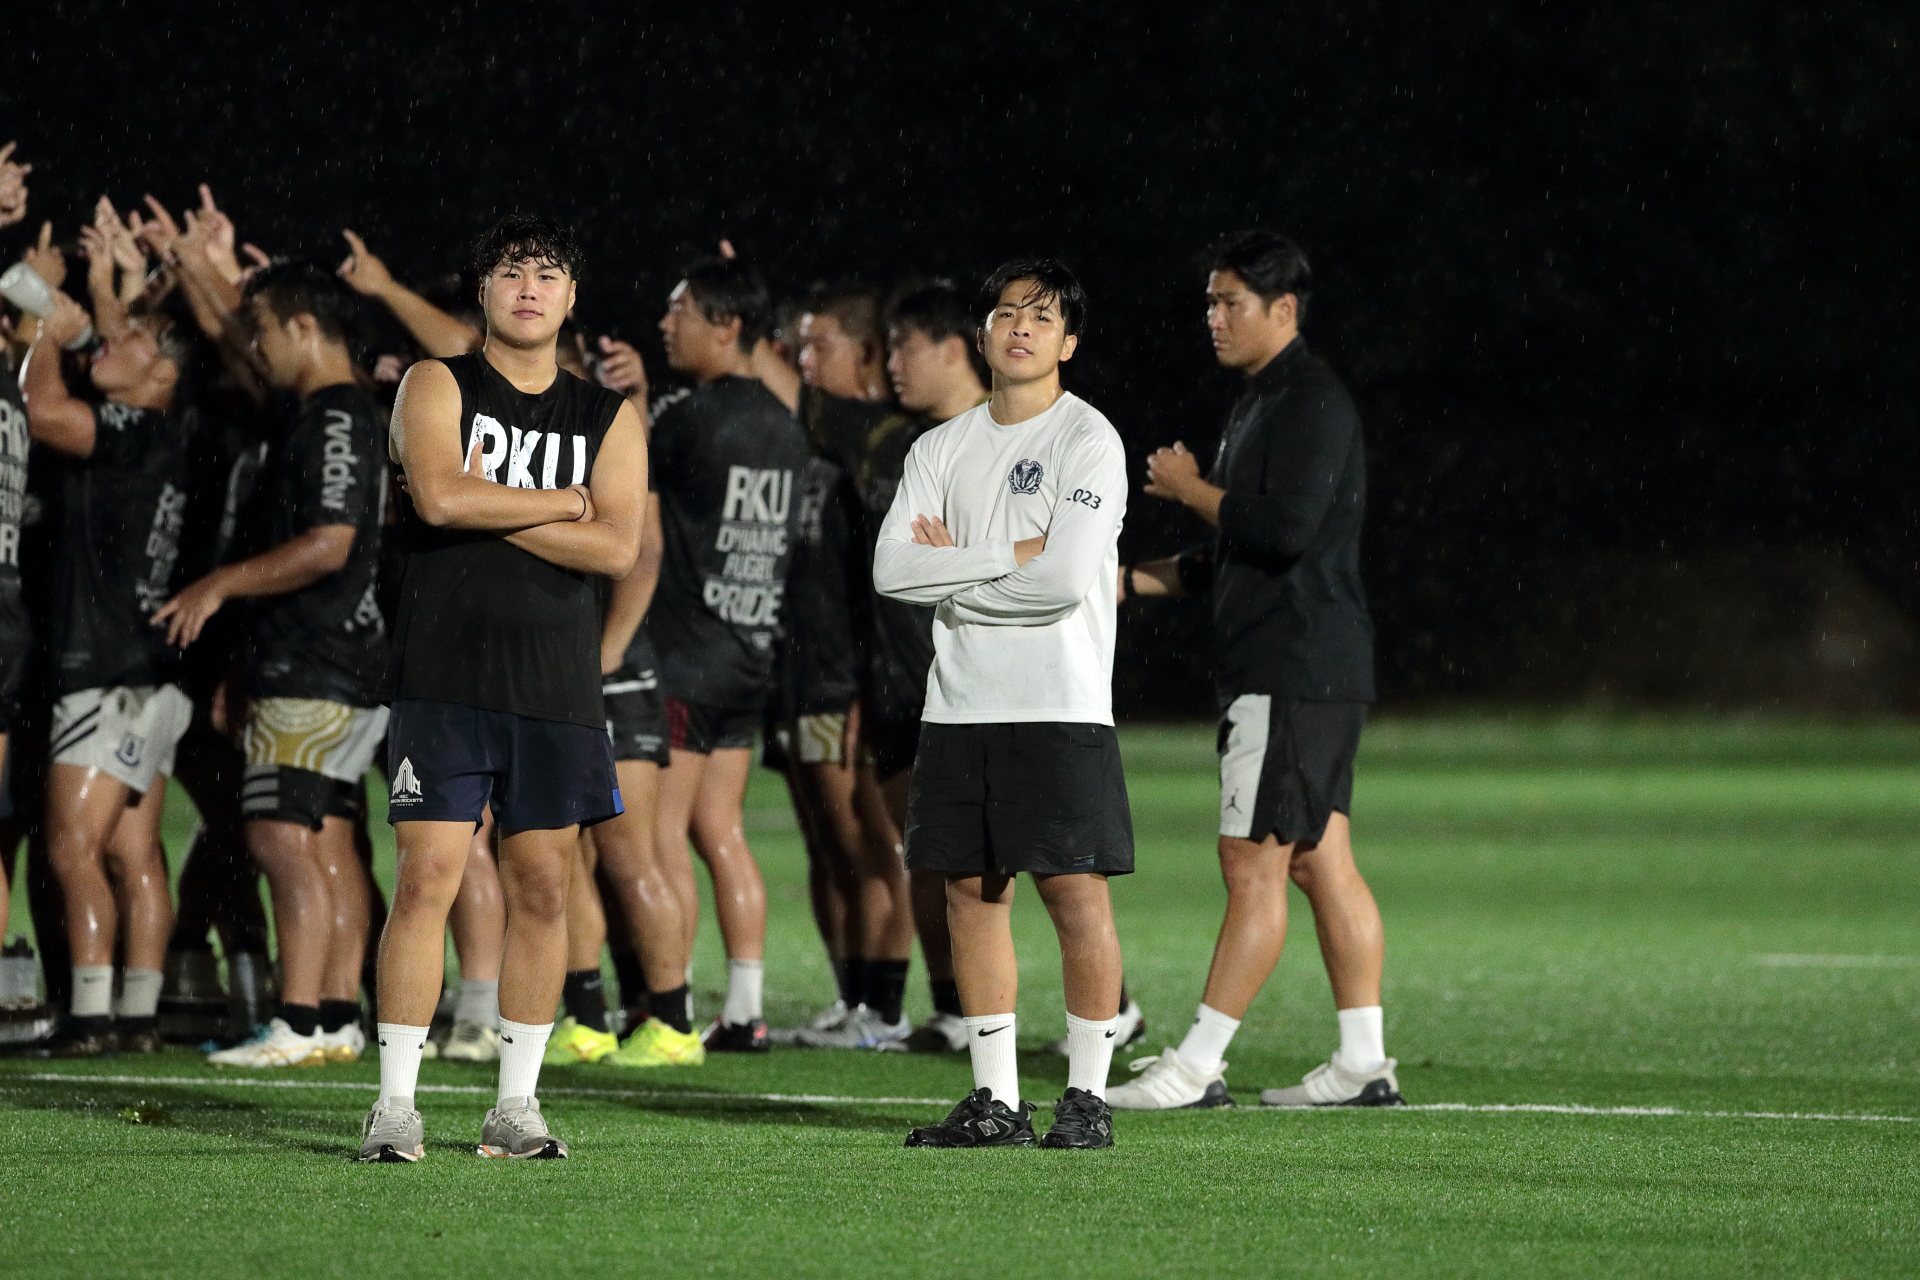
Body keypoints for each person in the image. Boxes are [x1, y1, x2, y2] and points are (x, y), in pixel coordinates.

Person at [358, 214, 646, 1162]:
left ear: (573, 297)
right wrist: (565, 502)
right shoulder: (436, 382)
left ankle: (516, 1108)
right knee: (426, 880)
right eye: (512, 271)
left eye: (548, 274)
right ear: (481, 290)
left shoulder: (608, 415)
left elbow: (617, 547)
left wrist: (496, 505)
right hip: (443, 677)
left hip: (556, 686)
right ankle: (395, 1107)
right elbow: (439, 498)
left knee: (545, 891)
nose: (529, 287)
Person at [1105, 231, 1401, 1111]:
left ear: (1284, 308)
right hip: (1304, 667)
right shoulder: (1262, 400)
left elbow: (1283, 529)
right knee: (1319, 862)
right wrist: (1126, 581)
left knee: (1251, 862)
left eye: (1230, 302)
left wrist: (1190, 487)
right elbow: (1235, 550)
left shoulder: (1309, 399)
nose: (1214, 317)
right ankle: (1362, 1062)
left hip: (1293, 667)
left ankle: (1196, 1067)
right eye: (1209, 301)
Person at [874, 259, 1132, 1150]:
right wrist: (1007, 552)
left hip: (1060, 702)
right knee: (969, 898)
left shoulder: (1088, 439)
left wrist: (953, 572)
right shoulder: (939, 447)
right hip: (958, 704)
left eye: (1042, 316)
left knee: (1075, 895)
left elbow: (1063, 582)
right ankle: (996, 1102)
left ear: (1069, 342)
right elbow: (891, 570)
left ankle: (1087, 1099)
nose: (1020, 326)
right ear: (981, 333)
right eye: (1006, 312)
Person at [154, 262, 388, 1069]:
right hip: (333, 660)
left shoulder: (335, 415)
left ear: (302, 327)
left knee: (278, 836)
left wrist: (218, 584)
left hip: (318, 661)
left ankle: (297, 1020)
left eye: (262, 329)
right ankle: (334, 1019)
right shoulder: (337, 411)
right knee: (327, 840)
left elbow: (329, 544)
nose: (254, 346)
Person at [20, 289, 198, 1057]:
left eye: (134, 339)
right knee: (133, 853)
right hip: (152, 671)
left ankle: (90, 1017)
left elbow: (42, 412)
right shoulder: (172, 439)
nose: (110, 341)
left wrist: (44, 336)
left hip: (104, 670)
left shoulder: (134, 426)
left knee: (71, 849)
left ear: (162, 374)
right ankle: (137, 1014)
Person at [648, 256, 810, 1053]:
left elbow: (640, 529)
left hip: (684, 656)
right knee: (722, 831)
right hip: (750, 653)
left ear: (727, 326)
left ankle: (670, 1011)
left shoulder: (687, 418)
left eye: (680, 311)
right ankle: (744, 1009)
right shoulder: (785, 422)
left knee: (662, 837)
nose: (665, 325)